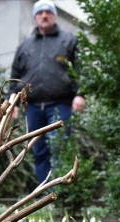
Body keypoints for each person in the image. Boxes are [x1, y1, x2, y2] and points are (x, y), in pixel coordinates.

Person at [10, 0, 85, 183]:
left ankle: (58, 192)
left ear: (54, 16)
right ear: (35, 17)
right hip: (33, 107)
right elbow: (15, 74)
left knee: (59, 147)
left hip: (60, 105)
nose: (44, 15)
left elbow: (81, 69)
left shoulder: (68, 40)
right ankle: (43, 194)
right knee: (38, 150)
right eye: (40, 12)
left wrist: (81, 94)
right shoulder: (25, 46)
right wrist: (11, 101)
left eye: (48, 12)